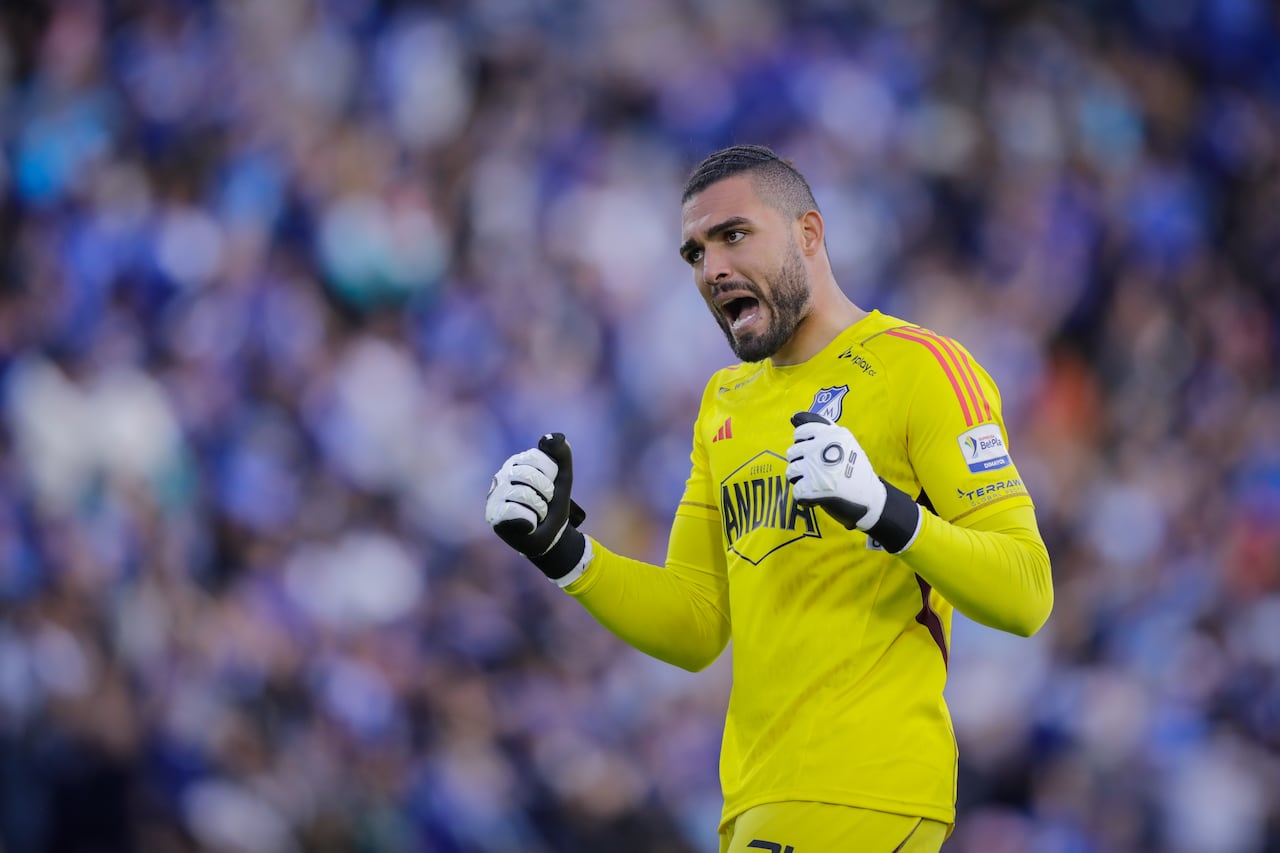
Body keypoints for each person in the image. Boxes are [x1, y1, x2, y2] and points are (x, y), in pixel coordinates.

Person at [485, 144, 1053, 852]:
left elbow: (1026, 592)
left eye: (733, 234)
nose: (712, 267)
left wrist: (884, 509)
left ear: (809, 234)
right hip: (757, 798)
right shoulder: (725, 402)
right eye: (694, 252)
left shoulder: (923, 367)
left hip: (863, 785)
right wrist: (564, 551)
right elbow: (696, 624)